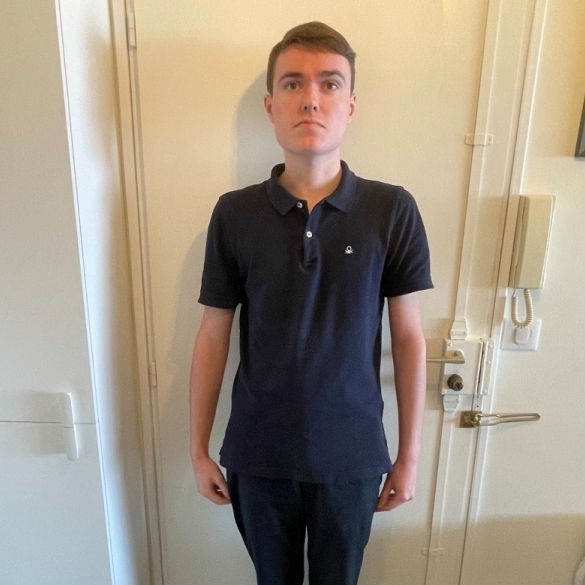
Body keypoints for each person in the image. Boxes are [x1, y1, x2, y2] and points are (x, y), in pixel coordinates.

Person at [190, 21, 433, 585]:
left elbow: (408, 337)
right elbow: (212, 333)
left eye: (329, 84)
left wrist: (409, 456)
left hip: (351, 456)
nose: (311, 99)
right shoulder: (234, 213)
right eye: (294, 84)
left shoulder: (391, 210)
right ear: (271, 105)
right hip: (258, 455)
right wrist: (198, 450)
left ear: (351, 104)